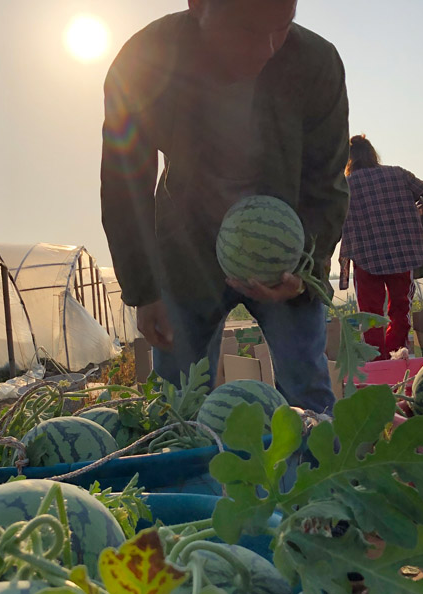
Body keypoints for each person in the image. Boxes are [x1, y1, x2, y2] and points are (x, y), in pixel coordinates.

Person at [100, 0, 349, 414]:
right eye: (250, 32)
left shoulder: (316, 63)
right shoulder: (144, 63)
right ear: (198, 7)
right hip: (187, 247)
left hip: (283, 250)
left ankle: (314, 478)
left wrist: (306, 269)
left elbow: (326, 182)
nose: (270, 48)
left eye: (283, 27)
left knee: (307, 395)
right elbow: (126, 182)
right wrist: (144, 289)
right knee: (178, 404)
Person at [339, 134, 423, 360]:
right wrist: (418, 207)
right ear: (373, 154)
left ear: (349, 160)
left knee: (370, 313)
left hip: (366, 257)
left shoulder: (346, 185)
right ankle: (396, 355)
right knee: (400, 310)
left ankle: (377, 362)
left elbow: (334, 216)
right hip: (402, 253)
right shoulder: (398, 174)